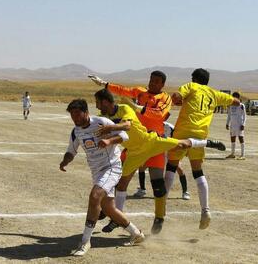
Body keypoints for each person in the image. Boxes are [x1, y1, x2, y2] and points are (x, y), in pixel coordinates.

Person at [92, 89, 225, 234]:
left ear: (105, 101)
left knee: (182, 145)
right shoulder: (103, 117)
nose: (97, 105)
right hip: (134, 152)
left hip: (151, 142)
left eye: (98, 102)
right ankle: (116, 219)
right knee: (121, 184)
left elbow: (127, 125)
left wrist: (110, 128)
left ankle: (209, 143)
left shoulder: (124, 108)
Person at [90, 71, 174, 234]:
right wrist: (104, 84)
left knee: (157, 183)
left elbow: (160, 114)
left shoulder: (165, 98)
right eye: (151, 80)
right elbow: (122, 90)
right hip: (135, 143)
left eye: (156, 82)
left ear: (162, 84)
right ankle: (115, 217)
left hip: (154, 141)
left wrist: (139, 108)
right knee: (119, 180)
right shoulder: (139, 91)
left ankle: (159, 217)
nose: (152, 84)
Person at [59, 99, 145, 256]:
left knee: (95, 196)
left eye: (77, 113)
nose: (75, 117)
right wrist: (65, 161)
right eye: (72, 115)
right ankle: (136, 233)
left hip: (112, 166)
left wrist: (109, 140)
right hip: (97, 171)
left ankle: (85, 242)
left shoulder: (101, 122)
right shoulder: (76, 131)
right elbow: (71, 151)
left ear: (86, 112)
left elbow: (125, 136)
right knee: (108, 208)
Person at [165, 68, 240, 230]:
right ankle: (205, 210)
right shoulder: (214, 93)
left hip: (183, 132)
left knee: (171, 166)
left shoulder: (191, 86)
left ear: (194, 78)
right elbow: (234, 101)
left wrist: (176, 100)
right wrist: (237, 102)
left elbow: (177, 97)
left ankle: (161, 208)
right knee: (198, 171)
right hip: (200, 135)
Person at [226, 92, 246, 160]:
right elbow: (229, 115)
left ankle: (242, 155)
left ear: (237, 97)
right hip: (232, 125)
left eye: (234, 97)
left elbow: (244, 116)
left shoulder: (241, 105)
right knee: (232, 138)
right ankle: (232, 154)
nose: (233, 98)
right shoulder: (230, 105)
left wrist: (243, 124)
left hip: (239, 124)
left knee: (241, 138)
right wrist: (227, 123)